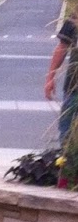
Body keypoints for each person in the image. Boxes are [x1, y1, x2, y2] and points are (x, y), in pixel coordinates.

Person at [44, 10, 78, 145]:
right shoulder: (76, 15)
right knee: (67, 133)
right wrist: (50, 77)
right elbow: (62, 47)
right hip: (73, 88)